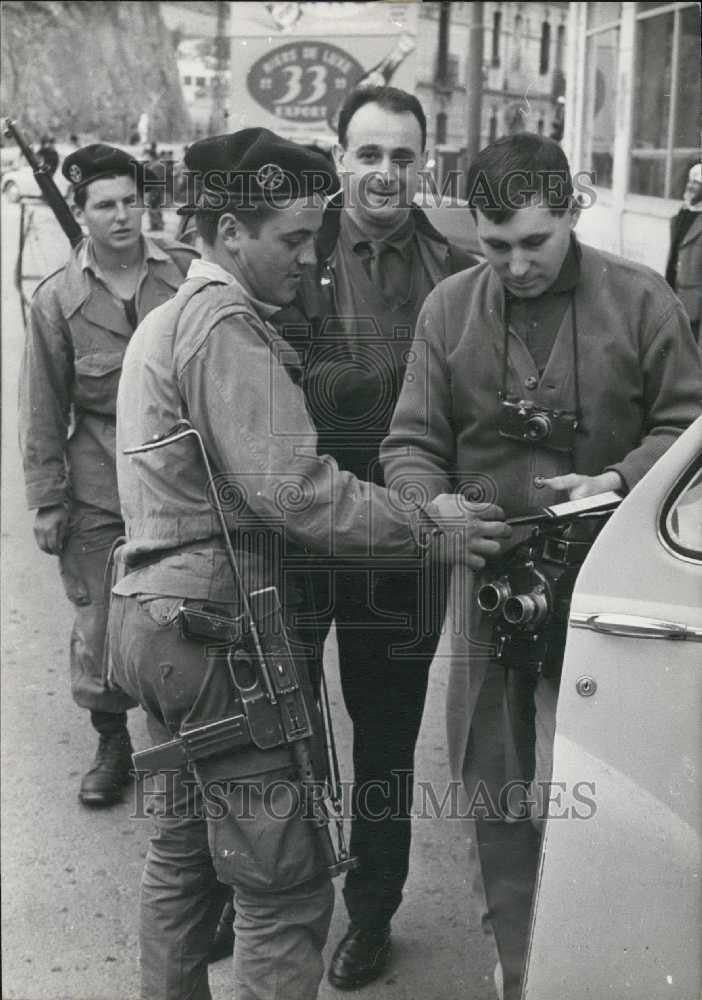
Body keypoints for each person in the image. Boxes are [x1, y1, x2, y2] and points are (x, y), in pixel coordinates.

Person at [107, 126, 509, 1000]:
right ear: (223, 231)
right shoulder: (225, 328)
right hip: (218, 633)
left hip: (150, 618)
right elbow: (296, 491)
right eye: (290, 238)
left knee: (184, 863)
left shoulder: (169, 316)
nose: (307, 258)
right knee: (284, 890)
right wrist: (425, 523)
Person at [381, 133, 702, 1000]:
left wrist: (617, 479)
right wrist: (434, 510)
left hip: (609, 588)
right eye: (496, 246)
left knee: (603, 786)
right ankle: (519, 960)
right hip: (488, 584)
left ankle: (599, 963)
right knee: (492, 783)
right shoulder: (448, 309)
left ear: (573, 209)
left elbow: (688, 427)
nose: (516, 266)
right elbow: (409, 443)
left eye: (535, 242)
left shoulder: (644, 302)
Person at [289, 84, 479, 990]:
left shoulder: (460, 263)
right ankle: (259, 897)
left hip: (403, 543)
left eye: (403, 156)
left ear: (423, 163)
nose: (385, 173)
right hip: (292, 531)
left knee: (387, 738)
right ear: (338, 158)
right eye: (368, 154)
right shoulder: (291, 249)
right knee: (273, 726)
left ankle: (371, 912)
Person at [18, 143, 197, 807]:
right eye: (105, 205)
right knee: (99, 622)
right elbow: (42, 405)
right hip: (97, 489)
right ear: (82, 214)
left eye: (131, 201)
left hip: (181, 484)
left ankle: (185, 743)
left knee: (181, 615)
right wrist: (46, 500)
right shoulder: (59, 300)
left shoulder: (183, 276)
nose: (122, 216)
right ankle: (111, 740)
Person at [665, 162, 702, 343]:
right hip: (674, 292)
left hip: (694, 303)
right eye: (690, 181)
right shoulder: (683, 213)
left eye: (696, 183)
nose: (690, 186)